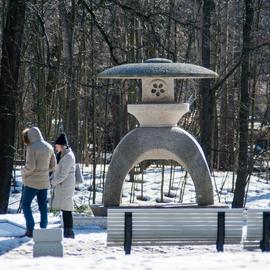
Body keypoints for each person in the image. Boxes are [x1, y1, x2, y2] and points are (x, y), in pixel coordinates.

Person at [21, 127, 56, 237]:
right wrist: (44, 171)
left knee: (25, 204)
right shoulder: (49, 146)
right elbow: (53, 165)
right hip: (44, 182)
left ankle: (30, 229)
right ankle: (43, 228)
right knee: (43, 206)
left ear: (30, 136)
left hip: (32, 183)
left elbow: (30, 166)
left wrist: (23, 171)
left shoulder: (31, 147)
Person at [50, 133, 76, 238]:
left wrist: (52, 183)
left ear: (62, 145)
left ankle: (69, 232)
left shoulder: (68, 157)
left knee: (67, 208)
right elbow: (58, 171)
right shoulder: (63, 155)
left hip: (66, 186)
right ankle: (67, 231)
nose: (55, 147)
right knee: (65, 208)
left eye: (57, 145)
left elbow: (62, 175)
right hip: (63, 186)